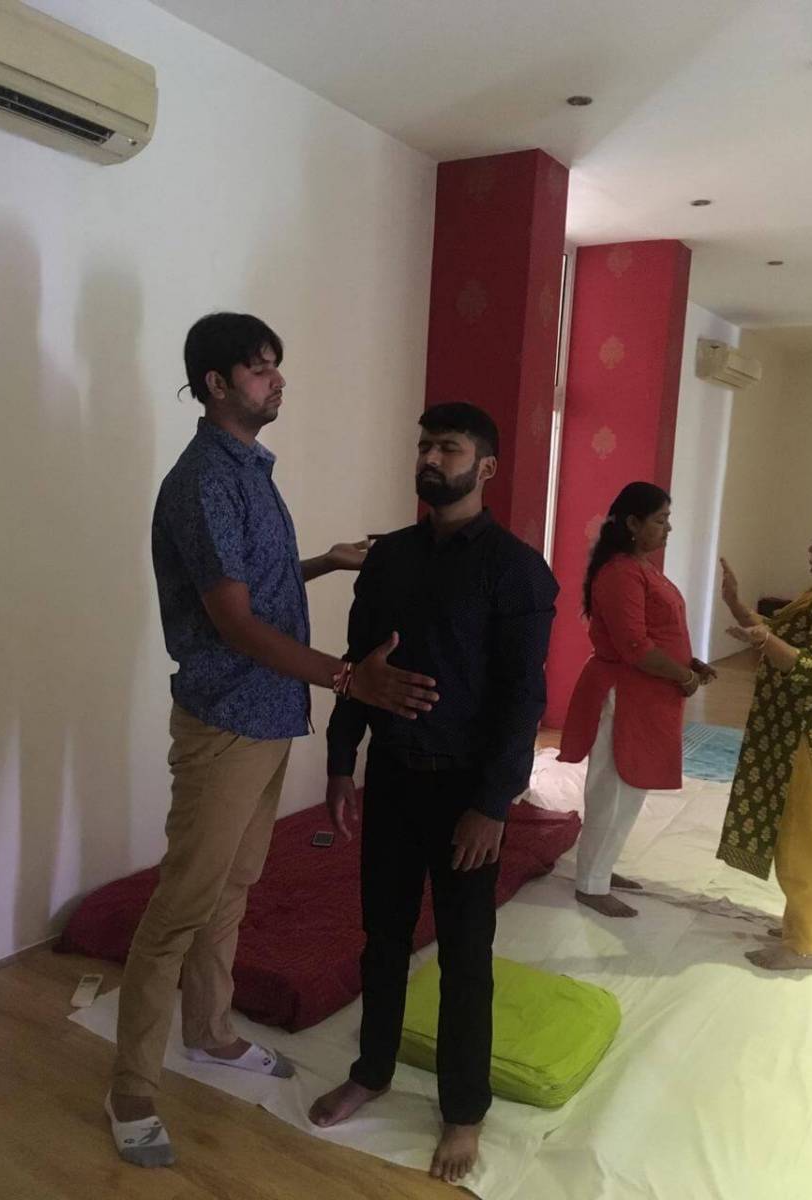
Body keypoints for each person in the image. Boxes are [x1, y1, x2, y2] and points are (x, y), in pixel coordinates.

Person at [106, 313, 439, 1168]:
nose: (277, 380)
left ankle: (210, 1032)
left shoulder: (250, 470)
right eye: (260, 369)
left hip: (268, 714)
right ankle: (131, 1086)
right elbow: (233, 622)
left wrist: (324, 562)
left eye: (275, 367)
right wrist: (348, 678)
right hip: (225, 720)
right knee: (181, 904)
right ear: (217, 383)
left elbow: (248, 588)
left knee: (233, 887)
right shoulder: (204, 482)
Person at [309, 402, 559, 1185]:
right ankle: (372, 1070)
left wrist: (493, 805)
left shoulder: (517, 570)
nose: (429, 457)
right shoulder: (389, 558)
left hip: (465, 794)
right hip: (391, 776)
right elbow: (360, 663)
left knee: (464, 954)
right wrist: (341, 760)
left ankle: (463, 1110)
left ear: (485, 468)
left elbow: (522, 699)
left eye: (447, 447)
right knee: (381, 937)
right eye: (424, 445)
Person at [558, 482, 716, 918]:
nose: (669, 528)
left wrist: (690, 662)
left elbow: (659, 633)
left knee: (631, 787)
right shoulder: (620, 573)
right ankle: (590, 884)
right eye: (661, 520)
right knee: (612, 788)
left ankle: (601, 869)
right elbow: (635, 646)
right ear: (632, 523)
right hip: (623, 694)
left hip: (646, 696)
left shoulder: (640, 568)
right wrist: (683, 675)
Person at [717, 525, 812, 971]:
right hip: (793, 728)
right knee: (808, 835)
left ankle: (803, 946)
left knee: (801, 840)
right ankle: (810, 927)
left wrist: (763, 641)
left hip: (807, 734)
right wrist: (735, 602)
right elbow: (776, 632)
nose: (811, 548)